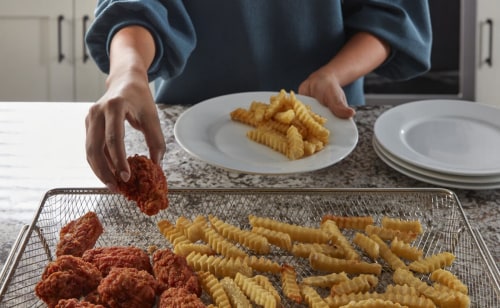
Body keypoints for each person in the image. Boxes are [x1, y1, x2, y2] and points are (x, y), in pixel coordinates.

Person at [84, 1, 432, 191]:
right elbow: (136, 5)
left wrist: (333, 74)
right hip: (188, 144)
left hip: (327, 137)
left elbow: (392, 12)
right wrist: (127, 72)